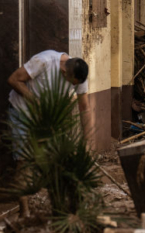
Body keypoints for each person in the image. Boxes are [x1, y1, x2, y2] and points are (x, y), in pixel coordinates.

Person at [7, 50, 90, 216]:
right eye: (70, 82)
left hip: (48, 117)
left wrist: (86, 143)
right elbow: (13, 79)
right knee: (24, 160)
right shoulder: (43, 61)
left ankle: (59, 208)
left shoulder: (80, 75)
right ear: (64, 72)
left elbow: (84, 107)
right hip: (23, 111)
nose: (73, 86)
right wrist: (35, 101)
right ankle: (24, 211)